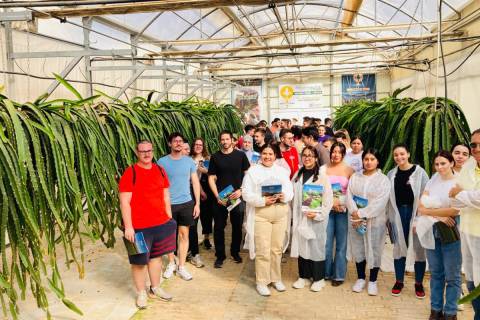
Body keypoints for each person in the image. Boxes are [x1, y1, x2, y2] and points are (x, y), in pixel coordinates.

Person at [119, 140, 175, 308]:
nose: (146, 154)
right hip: (138, 228)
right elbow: (124, 202)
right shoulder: (130, 173)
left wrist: (169, 219)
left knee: (156, 258)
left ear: (153, 151)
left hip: (160, 224)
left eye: (149, 150)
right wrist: (128, 226)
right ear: (137, 152)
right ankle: (141, 292)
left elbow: (166, 196)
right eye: (143, 151)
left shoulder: (160, 170)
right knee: (139, 262)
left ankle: (155, 288)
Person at [242, 143, 294, 296]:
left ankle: (276, 278)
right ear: (261, 154)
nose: (267, 157)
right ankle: (262, 281)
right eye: (265, 153)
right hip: (262, 214)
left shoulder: (282, 171)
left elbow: (290, 190)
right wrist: (263, 201)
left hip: (280, 214)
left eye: (270, 154)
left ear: (275, 156)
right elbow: (246, 193)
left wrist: (285, 196)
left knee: (276, 249)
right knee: (263, 249)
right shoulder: (253, 172)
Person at [417, 151, 461, 320]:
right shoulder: (433, 178)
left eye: (443, 163)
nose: (440, 167)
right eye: (437, 164)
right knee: (436, 273)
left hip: (451, 232)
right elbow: (421, 206)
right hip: (432, 230)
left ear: (451, 163)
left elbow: (455, 209)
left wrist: (429, 211)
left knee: (453, 275)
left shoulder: (458, 182)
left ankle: (450, 312)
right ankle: (435, 310)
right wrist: (439, 215)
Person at [387, 143, 429, 298]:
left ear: (408, 154)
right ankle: (399, 281)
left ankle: (418, 283)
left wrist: (419, 218)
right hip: (397, 214)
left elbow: (426, 195)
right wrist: (388, 219)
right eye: (396, 155)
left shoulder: (420, 172)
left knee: (419, 248)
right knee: (399, 247)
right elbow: (388, 197)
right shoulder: (392, 174)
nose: (399, 157)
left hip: (416, 213)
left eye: (402, 154)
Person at [158, 133, 200, 281]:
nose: (178, 143)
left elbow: (195, 182)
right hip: (168, 205)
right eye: (175, 141)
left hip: (186, 203)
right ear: (169, 144)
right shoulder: (162, 162)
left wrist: (197, 204)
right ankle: (171, 262)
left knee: (184, 235)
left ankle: (181, 266)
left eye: (180, 141)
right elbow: (158, 185)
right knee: (169, 236)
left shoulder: (189, 162)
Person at [347, 149, 390, 296]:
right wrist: (355, 213)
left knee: (375, 249)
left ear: (378, 161)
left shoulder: (383, 180)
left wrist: (361, 213)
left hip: (375, 221)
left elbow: (380, 203)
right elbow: (349, 196)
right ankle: (360, 278)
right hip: (356, 221)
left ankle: (373, 281)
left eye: (372, 159)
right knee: (359, 249)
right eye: (366, 159)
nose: (369, 162)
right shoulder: (355, 177)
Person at [290, 146, 333, 292]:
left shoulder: (322, 177)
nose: (307, 158)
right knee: (302, 246)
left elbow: (328, 200)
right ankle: (303, 276)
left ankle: (318, 279)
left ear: (316, 158)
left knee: (316, 247)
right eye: (305, 155)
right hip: (300, 217)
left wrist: (318, 215)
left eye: (310, 155)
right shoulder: (297, 174)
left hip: (316, 219)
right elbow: (291, 195)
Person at [449, 129, 480, 320]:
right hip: (467, 231)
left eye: (479, 144)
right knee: (470, 278)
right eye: (473, 144)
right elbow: (453, 202)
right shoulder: (469, 167)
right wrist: (466, 196)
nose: (476, 148)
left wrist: (460, 193)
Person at [208, 130, 250, 268]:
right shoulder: (215, 157)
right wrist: (217, 196)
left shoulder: (241, 155)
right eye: (222, 139)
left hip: (236, 197)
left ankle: (235, 252)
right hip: (221, 198)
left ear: (232, 140)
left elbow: (248, 176)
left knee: (237, 227)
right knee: (219, 227)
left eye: (227, 139)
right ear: (220, 141)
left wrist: (241, 191)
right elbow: (211, 178)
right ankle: (220, 255)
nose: (225, 141)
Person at [324, 142, 354, 286]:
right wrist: (331, 203)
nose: (336, 154)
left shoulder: (350, 170)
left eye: (339, 152)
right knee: (327, 243)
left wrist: (342, 203)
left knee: (342, 244)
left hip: (343, 211)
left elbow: (353, 191)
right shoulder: (323, 169)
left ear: (343, 154)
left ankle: (339, 275)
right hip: (327, 210)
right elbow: (319, 189)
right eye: (333, 151)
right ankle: (326, 272)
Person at [190, 138, 213, 258]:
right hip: (193, 188)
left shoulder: (208, 158)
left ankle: (206, 237)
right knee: (194, 216)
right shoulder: (189, 159)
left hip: (206, 185)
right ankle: (192, 242)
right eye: (196, 144)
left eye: (201, 144)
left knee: (206, 215)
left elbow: (212, 173)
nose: (198, 146)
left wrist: (204, 170)